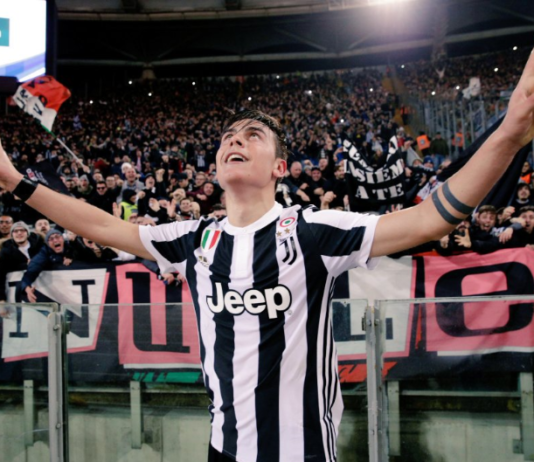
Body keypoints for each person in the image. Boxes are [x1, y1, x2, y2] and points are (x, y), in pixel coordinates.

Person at [1, 51, 534, 461]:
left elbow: (429, 220)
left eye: (252, 135)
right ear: (215, 166)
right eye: (228, 136)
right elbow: (100, 225)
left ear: (280, 168)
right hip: (223, 448)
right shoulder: (194, 239)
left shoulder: (313, 230)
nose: (235, 140)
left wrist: (509, 135)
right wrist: (14, 181)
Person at [0, 221, 43, 302]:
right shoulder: (6, 251)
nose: (19, 233)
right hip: (16, 293)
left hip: (42, 290)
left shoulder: (39, 246)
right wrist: (1, 298)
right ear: (11, 235)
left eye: (22, 230)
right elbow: (1, 275)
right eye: (15, 231)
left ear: (28, 233)